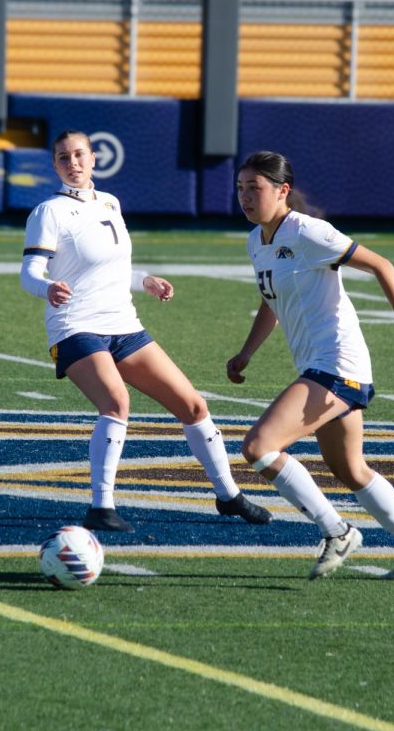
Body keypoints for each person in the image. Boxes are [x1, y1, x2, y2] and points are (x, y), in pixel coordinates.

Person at [20, 130, 271, 533]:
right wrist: (47, 287)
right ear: (55, 166)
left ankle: (229, 496)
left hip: (123, 323)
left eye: (80, 154)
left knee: (193, 406)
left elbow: (111, 270)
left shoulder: (110, 202)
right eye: (64, 157)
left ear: (94, 158)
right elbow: (29, 273)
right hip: (75, 327)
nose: (73, 163)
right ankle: (101, 508)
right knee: (116, 403)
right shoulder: (48, 212)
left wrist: (144, 280)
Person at [226, 150, 394, 580]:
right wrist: (247, 351)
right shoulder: (257, 240)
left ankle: (336, 530)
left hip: (337, 364)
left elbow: (381, 265)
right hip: (324, 367)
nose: (246, 197)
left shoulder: (308, 232)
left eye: (256, 188)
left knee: (259, 448)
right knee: (350, 469)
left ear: (282, 191)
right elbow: (272, 302)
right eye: (241, 188)